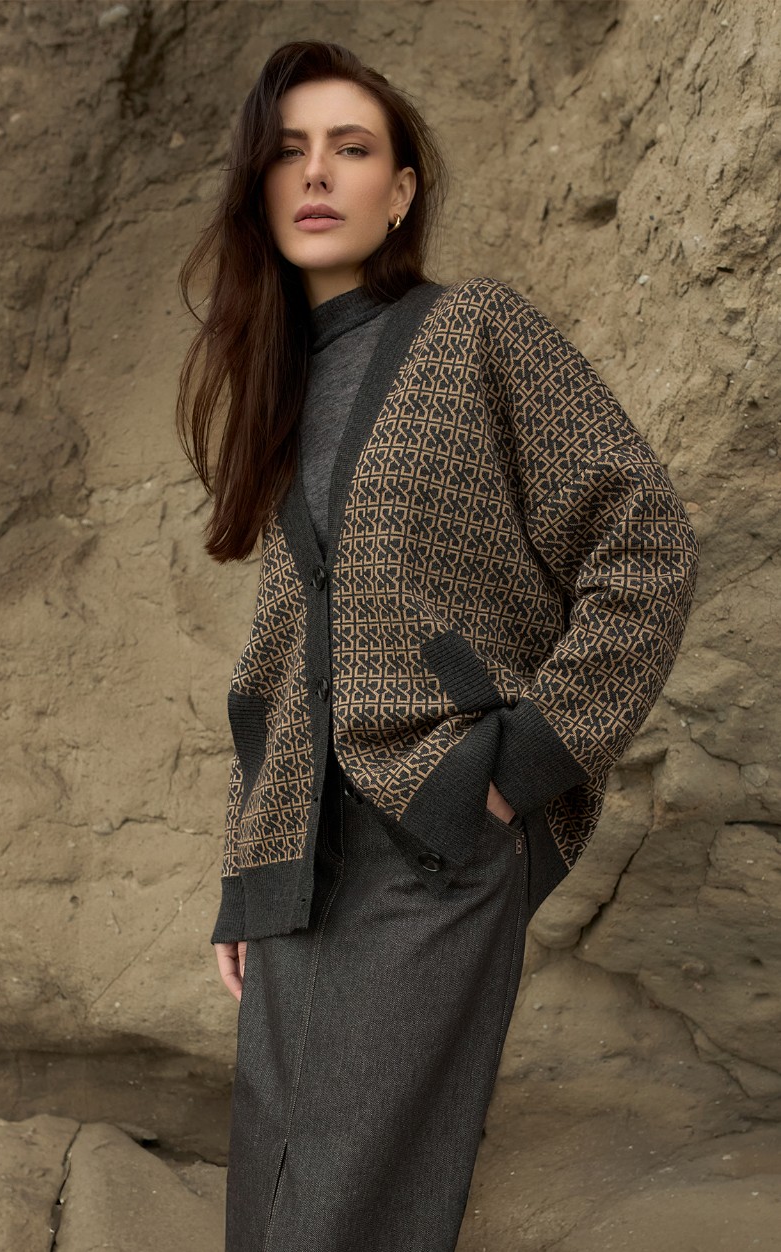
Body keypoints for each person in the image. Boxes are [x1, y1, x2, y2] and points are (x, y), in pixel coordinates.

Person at [175, 39, 700, 1252]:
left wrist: (515, 770)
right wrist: (247, 874)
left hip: (438, 835)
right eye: (288, 153)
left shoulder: (476, 333)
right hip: (300, 862)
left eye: (351, 148)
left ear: (401, 190)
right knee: (270, 1208)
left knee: (352, 1210)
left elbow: (645, 545)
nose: (317, 174)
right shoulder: (282, 390)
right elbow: (279, 665)